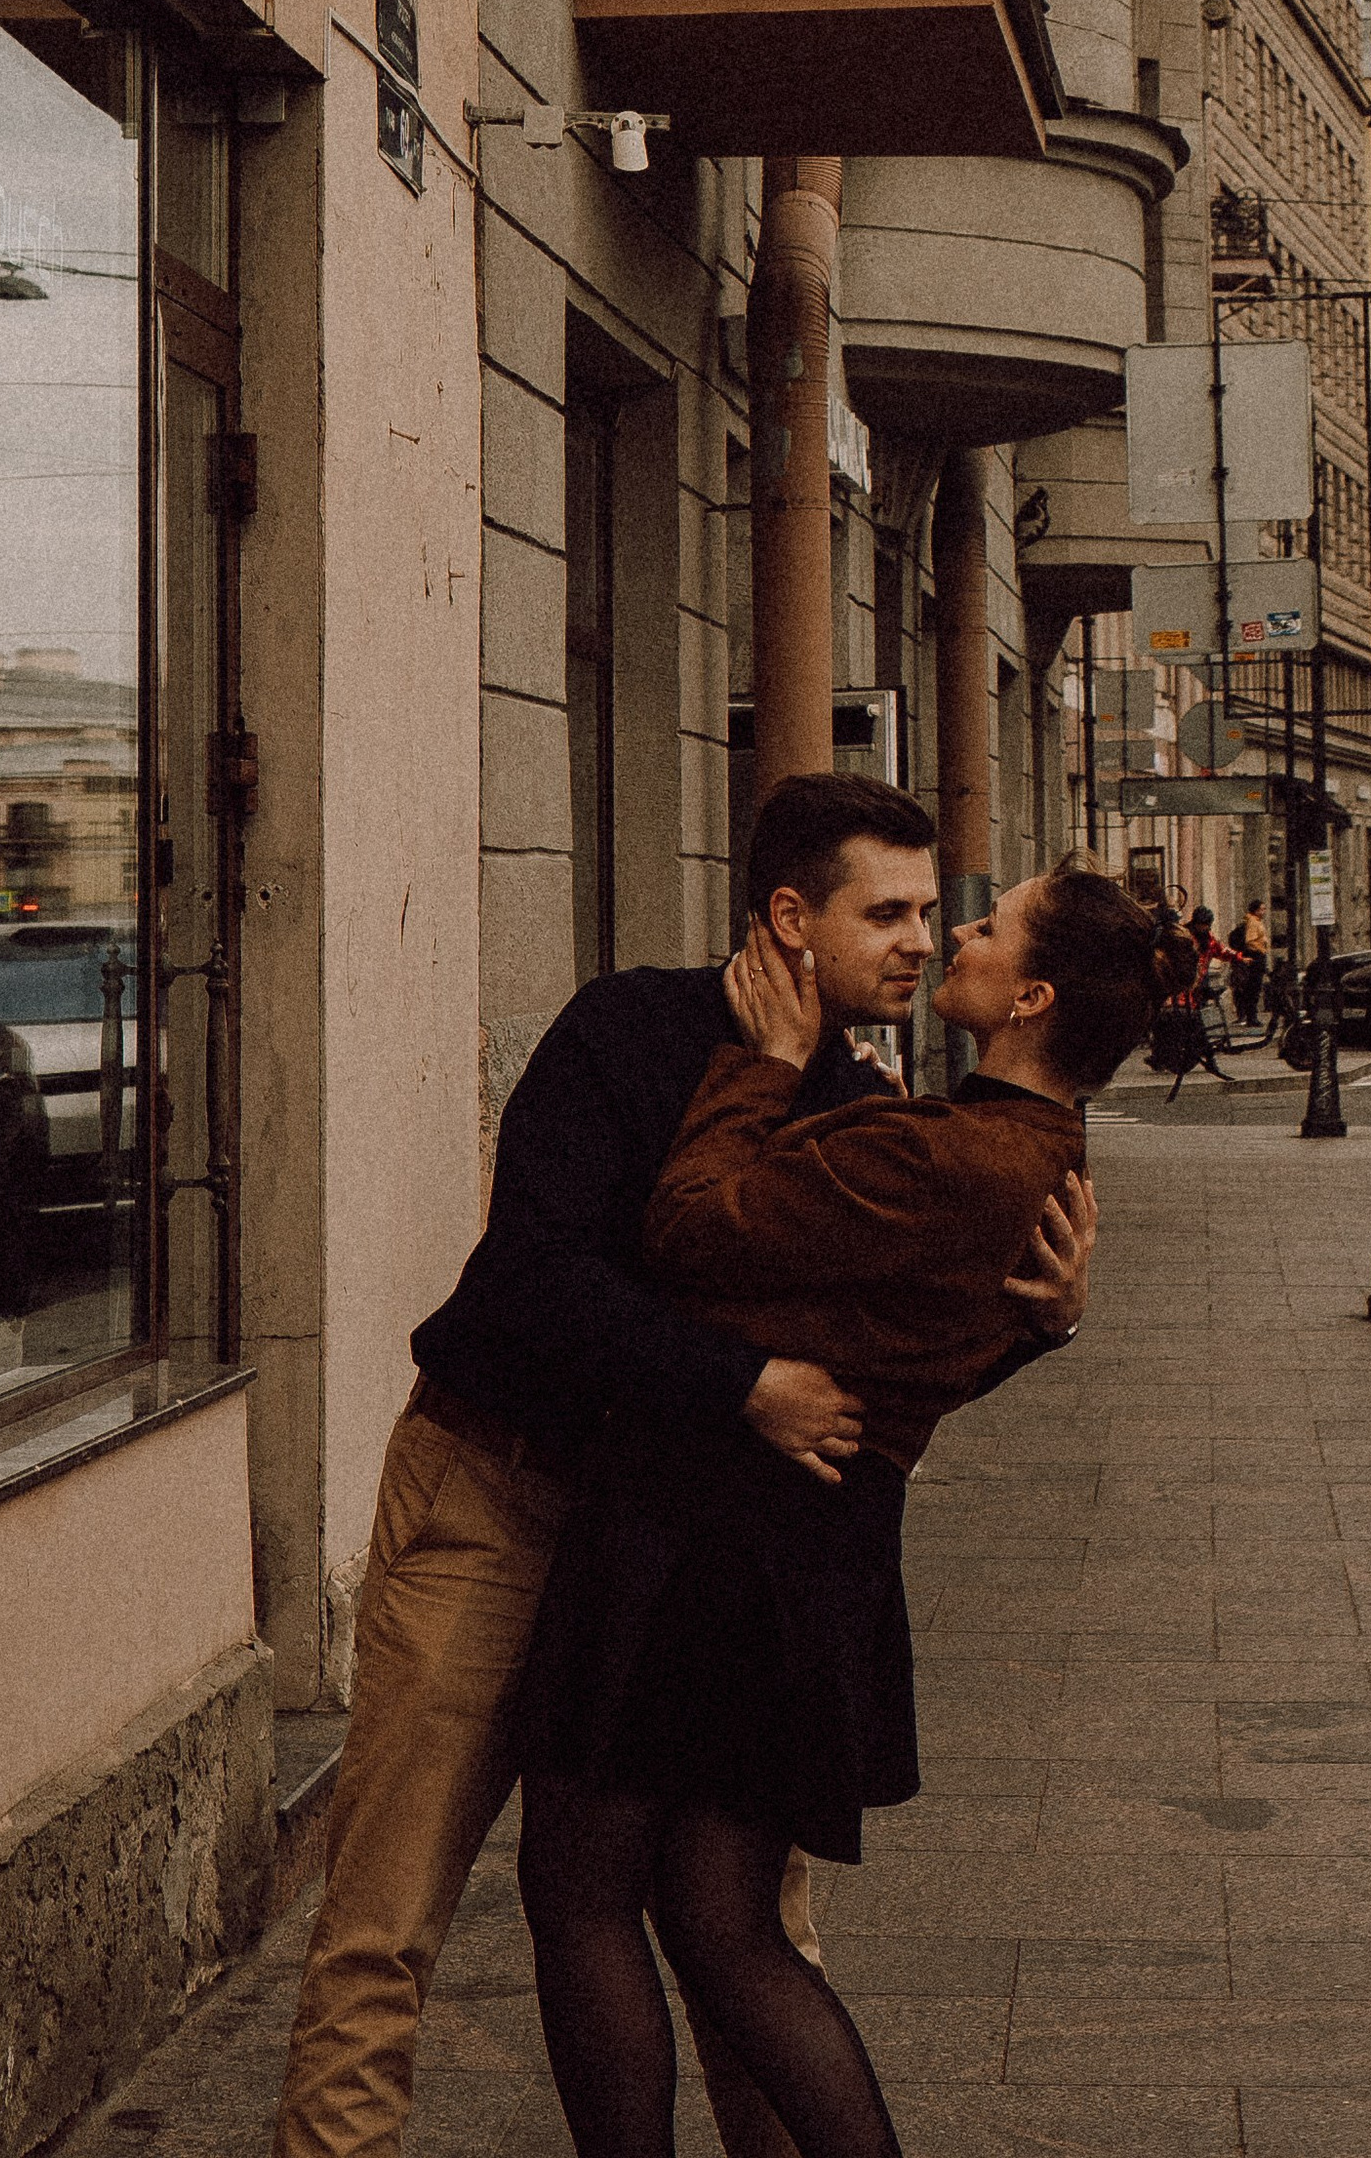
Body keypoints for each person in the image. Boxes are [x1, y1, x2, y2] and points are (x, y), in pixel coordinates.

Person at [269, 775, 1093, 2158]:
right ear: (789, 915)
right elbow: (536, 1281)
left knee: (744, 1932)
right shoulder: (630, 1028)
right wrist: (743, 1385)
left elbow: (868, 1365)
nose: (917, 940)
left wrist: (1036, 1325)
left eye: (933, 914)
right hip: (499, 1495)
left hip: (670, 1551)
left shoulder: (855, 1092)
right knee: (385, 1926)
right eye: (884, 912)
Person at [513, 863, 1162, 2158]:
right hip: (798, 1558)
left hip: (702, 1540)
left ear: (1030, 994)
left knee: (585, 1891)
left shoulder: (945, 1150)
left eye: (980, 925)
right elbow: (920, 1349)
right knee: (716, 1920)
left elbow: (691, 1227)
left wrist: (765, 1061)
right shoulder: (1027, 1157)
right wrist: (1051, 1327)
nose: (947, 938)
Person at [1230, 900, 1271, 1026]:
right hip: (1255, 957)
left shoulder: (1255, 921)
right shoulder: (1253, 922)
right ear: (1256, 910)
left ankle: (1250, 1017)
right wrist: (1261, 949)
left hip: (1256, 957)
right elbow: (1250, 941)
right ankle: (1251, 1018)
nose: (1264, 912)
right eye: (1262, 909)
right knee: (1253, 989)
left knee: (1252, 989)